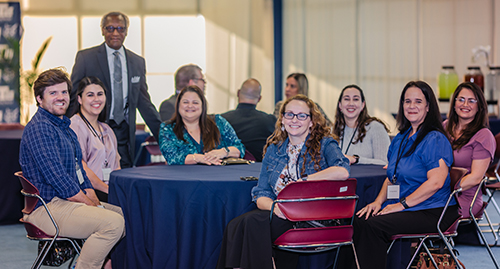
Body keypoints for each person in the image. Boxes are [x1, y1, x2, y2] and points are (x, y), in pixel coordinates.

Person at [217, 94, 350, 269]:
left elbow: (342, 171)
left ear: (311, 121)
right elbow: (261, 192)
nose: (295, 119)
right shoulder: (274, 148)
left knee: (253, 224)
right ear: (282, 119)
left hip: (314, 215)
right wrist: (275, 208)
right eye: (289, 114)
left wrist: (303, 181)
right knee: (235, 226)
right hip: (283, 212)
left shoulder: (325, 144)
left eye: (302, 115)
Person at [346, 81, 459, 269]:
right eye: (407, 101)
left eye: (418, 102)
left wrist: (401, 205)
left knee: (375, 226)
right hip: (409, 206)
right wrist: (378, 202)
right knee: (360, 219)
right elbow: (392, 177)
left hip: (433, 210)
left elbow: (436, 182)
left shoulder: (435, 138)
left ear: (428, 107)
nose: (411, 106)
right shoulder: (400, 138)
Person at [19, 69, 124, 269]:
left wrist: (95, 203)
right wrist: (93, 207)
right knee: (113, 223)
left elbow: (81, 176)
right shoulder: (40, 128)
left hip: (65, 203)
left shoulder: (64, 127)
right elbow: (61, 181)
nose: (60, 97)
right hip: (47, 208)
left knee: (126, 216)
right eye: (53, 93)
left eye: (64, 92)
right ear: (40, 99)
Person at [67, 11, 162, 168]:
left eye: (120, 28)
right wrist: (65, 130)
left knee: (123, 176)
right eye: (110, 28)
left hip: (123, 131)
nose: (116, 33)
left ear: (126, 31)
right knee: (94, 176)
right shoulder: (86, 58)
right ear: (102, 30)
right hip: (93, 130)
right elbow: (73, 96)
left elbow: (144, 103)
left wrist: (165, 137)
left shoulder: (137, 62)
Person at [444, 82, 495, 218]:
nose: (465, 105)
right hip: (440, 193)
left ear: (479, 107)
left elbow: (475, 178)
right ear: (454, 104)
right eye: (461, 99)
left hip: (465, 197)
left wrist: (441, 187)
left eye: (471, 101)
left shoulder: (483, 135)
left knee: (423, 211)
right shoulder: (444, 127)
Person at [159, 85, 245, 165]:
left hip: (218, 176)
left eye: (195, 103)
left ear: (202, 106)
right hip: (184, 178)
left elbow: (239, 148)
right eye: (185, 102)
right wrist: (199, 158)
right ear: (178, 105)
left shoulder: (218, 122)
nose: (190, 106)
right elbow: (172, 158)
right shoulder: (167, 128)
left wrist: (223, 152)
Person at [70, 77, 121, 202]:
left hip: (109, 190)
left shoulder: (107, 129)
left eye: (100, 94)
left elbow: (116, 167)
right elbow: (81, 169)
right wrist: (109, 190)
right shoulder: (74, 126)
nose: (96, 99)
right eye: (90, 95)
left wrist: (120, 189)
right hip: (89, 191)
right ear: (79, 99)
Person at [333, 84, 390, 165]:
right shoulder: (333, 131)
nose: (351, 103)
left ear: (362, 105)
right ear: (340, 105)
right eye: (346, 99)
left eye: (356, 99)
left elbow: (385, 163)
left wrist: (356, 160)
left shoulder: (375, 128)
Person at [221, 78, 276, 161]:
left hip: (228, 168)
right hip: (258, 170)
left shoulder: (222, 120)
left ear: (238, 93)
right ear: (259, 98)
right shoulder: (270, 121)